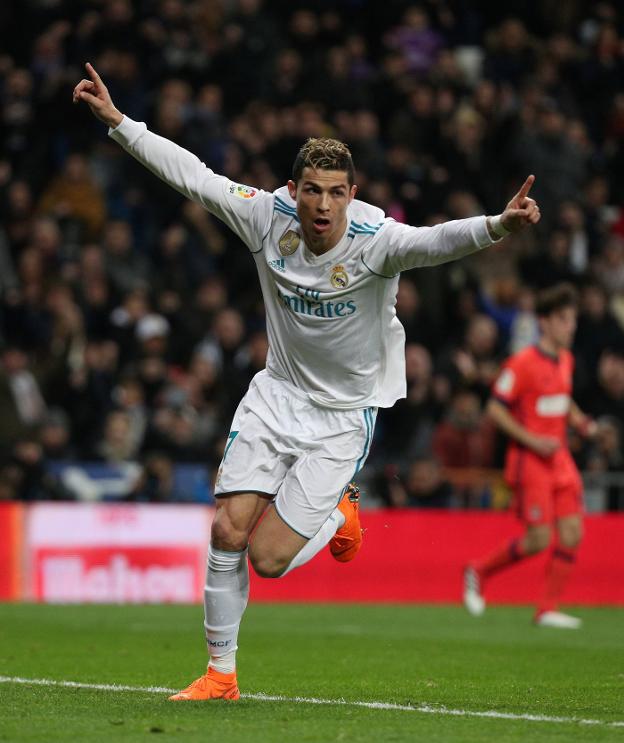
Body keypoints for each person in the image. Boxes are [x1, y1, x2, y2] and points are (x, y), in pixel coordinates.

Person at [73, 61, 541, 701]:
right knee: (224, 531)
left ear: (353, 193)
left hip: (344, 417)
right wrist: (120, 124)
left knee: (266, 559)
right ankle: (221, 676)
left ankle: (342, 512)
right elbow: (195, 179)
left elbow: (437, 241)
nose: (322, 205)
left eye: (336, 192)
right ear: (294, 189)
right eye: (312, 190)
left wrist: (496, 226)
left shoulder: (377, 241)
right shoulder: (267, 218)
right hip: (277, 394)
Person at [464, 283, 596, 629]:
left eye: (573, 320)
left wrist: (581, 423)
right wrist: (534, 441)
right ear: (545, 323)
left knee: (572, 533)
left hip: (561, 459)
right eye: (565, 320)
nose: (572, 327)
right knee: (538, 540)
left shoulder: (566, 360)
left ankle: (547, 609)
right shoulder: (521, 364)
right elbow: (495, 409)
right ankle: (479, 570)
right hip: (531, 460)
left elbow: (562, 400)